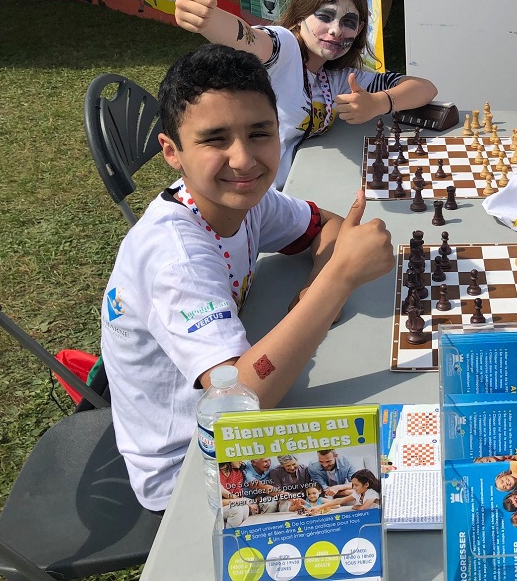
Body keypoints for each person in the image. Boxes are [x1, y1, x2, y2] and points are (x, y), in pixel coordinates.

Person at [101, 44, 394, 512]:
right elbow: (241, 402)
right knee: (381, 488)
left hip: (239, 418)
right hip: (190, 468)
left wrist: (318, 286)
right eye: (215, 140)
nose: (243, 159)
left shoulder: (243, 197)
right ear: (172, 151)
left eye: (260, 133)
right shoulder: (175, 260)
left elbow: (326, 226)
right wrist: (335, 282)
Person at [174, 0, 438, 187]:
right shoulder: (283, 48)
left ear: (359, 30)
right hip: (235, 191)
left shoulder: (336, 78)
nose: (336, 30)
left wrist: (379, 102)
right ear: (300, 16)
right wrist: (208, 20)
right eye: (325, 16)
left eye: (348, 22)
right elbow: (249, 39)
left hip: (282, 196)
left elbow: (424, 87)